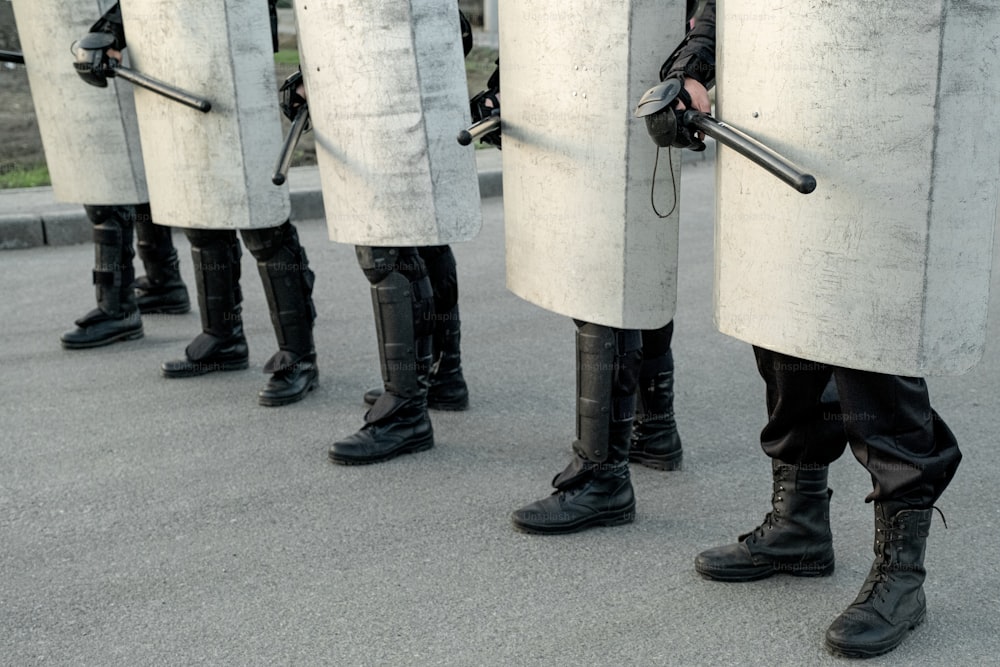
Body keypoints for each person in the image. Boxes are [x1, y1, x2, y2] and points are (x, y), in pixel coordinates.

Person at [649, 0, 991, 657]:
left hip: (891, 101)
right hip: (789, 96)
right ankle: (799, 520)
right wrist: (693, 66)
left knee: (871, 344)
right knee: (786, 325)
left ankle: (902, 572)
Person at [503, 3, 690, 535]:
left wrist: (692, 68)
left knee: (604, 281)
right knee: (629, 269)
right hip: (609, 79)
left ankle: (603, 478)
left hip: (635, 84)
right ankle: (653, 429)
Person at [76, 1, 318, 407]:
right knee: (202, 210)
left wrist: (315, 67)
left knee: (263, 222)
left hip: (238, 58)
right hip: (180, 63)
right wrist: (110, 33)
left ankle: (298, 357)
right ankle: (221, 337)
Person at [287, 0, 483, 463]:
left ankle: (406, 408)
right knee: (422, 231)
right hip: (397, 58)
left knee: (387, 248)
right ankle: (439, 375)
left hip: (402, 60)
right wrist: (314, 70)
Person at [11, 0, 190, 351]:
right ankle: (163, 282)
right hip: (115, 33)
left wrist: (109, 31)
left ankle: (117, 307)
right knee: (135, 166)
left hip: (104, 34)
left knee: (105, 175)